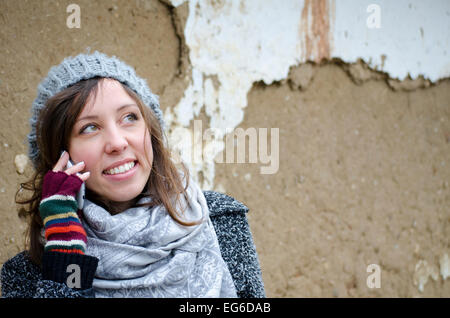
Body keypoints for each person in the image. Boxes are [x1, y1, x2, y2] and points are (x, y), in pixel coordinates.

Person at [0, 51, 265, 298]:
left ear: (149, 129)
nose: (117, 142)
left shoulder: (220, 219)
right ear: (61, 155)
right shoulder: (27, 275)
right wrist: (65, 249)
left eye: (129, 118)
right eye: (90, 127)